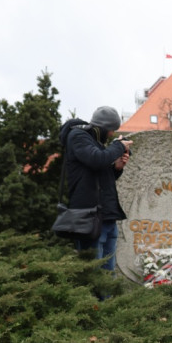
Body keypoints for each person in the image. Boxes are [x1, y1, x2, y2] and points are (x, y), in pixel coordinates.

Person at [59, 106, 132, 271]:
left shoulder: (95, 142)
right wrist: (118, 146)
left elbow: (102, 174)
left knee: (108, 275)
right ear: (103, 127)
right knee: (95, 275)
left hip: (107, 216)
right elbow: (96, 159)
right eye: (111, 130)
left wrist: (117, 167)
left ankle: (107, 298)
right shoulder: (77, 136)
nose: (112, 134)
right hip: (90, 217)